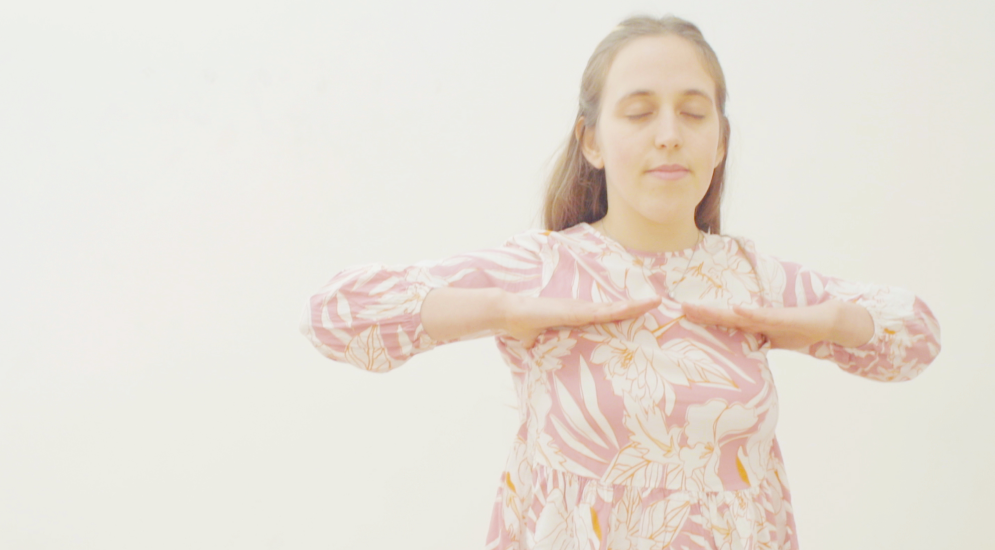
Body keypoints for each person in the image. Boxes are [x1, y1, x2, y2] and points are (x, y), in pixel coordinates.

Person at [298, 14, 940, 550]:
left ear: (720, 143)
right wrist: (501, 310)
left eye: (694, 114)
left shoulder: (751, 278)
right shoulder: (544, 270)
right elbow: (332, 316)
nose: (670, 136)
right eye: (639, 113)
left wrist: (821, 326)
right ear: (592, 142)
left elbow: (918, 339)